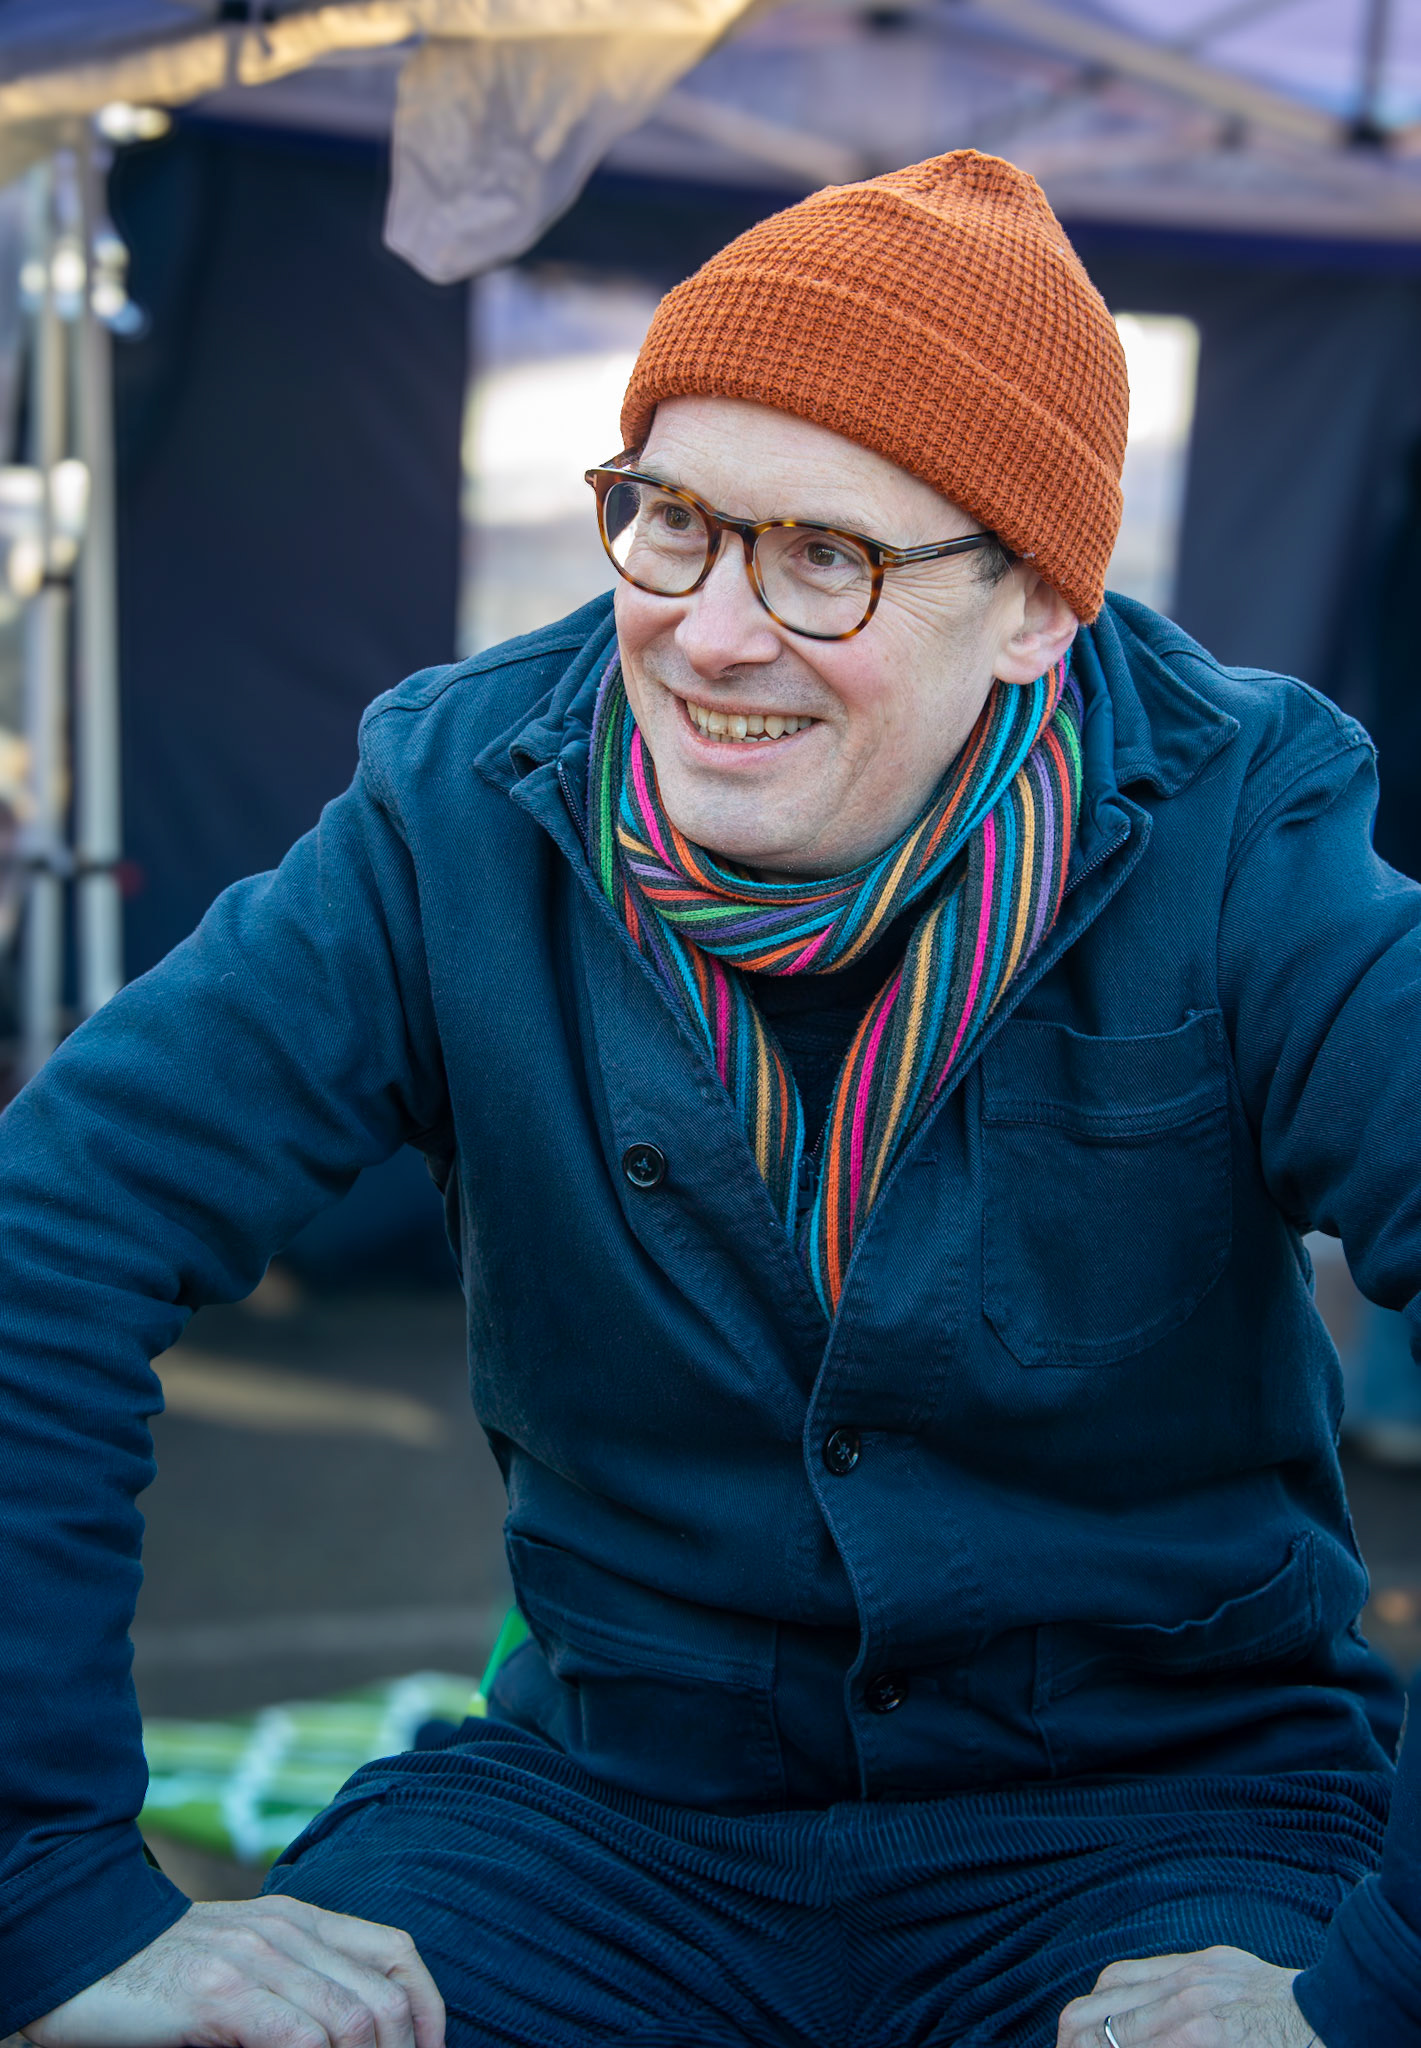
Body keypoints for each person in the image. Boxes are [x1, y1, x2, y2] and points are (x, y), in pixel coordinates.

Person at [1, 152, 1419, 2048]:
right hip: (613, 1814)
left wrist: (1379, 1990)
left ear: (1033, 608)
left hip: (1167, 1810)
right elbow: (47, 1238)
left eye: (825, 555)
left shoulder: (1240, 831)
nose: (712, 631)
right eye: (670, 519)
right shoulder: (458, 813)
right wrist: (54, 1906)